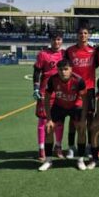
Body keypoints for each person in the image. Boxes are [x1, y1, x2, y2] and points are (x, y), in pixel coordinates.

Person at [40, 60, 89, 171]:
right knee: (49, 129)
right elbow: (47, 98)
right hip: (59, 106)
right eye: (61, 69)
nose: (63, 72)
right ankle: (48, 160)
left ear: (71, 69)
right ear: (57, 70)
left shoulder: (79, 80)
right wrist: (48, 119)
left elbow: (85, 100)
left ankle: (80, 160)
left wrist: (82, 120)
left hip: (75, 106)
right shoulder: (53, 79)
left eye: (66, 69)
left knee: (81, 129)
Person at [64, 25, 97, 159]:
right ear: (77, 35)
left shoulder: (94, 51)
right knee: (73, 119)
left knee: (89, 118)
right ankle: (71, 147)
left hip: (89, 89)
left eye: (85, 33)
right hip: (73, 90)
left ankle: (89, 146)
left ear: (88, 35)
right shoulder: (69, 51)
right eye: (80, 33)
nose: (82, 35)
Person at [31, 31, 64, 162]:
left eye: (59, 39)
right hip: (46, 92)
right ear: (50, 40)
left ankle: (58, 147)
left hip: (61, 92)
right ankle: (42, 149)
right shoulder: (43, 54)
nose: (56, 42)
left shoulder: (64, 54)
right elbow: (36, 72)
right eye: (54, 39)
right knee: (43, 121)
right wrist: (36, 88)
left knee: (60, 121)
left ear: (62, 40)